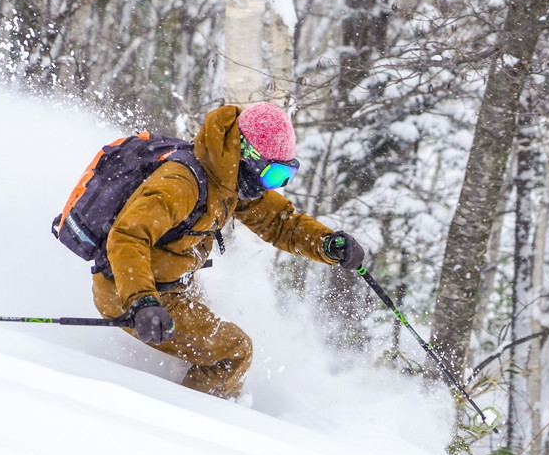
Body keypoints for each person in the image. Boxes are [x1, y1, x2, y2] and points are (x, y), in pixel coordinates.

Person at [91, 102, 366, 399]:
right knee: (233, 352)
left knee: (212, 340)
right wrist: (141, 301)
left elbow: (279, 222)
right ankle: (190, 425)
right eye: (273, 175)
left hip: (174, 284)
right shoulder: (181, 184)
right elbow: (128, 236)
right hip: (128, 289)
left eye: (285, 177)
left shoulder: (228, 177)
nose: (271, 186)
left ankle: (180, 397)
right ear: (247, 155)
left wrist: (326, 243)